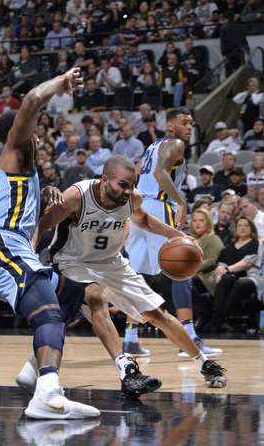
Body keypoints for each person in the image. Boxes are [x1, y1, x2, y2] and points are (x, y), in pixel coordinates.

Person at [21, 154, 228, 391]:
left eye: (132, 185)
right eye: (123, 185)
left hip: (112, 263)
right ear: (105, 180)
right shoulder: (77, 196)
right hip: (72, 261)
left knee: (158, 314)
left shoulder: (132, 199)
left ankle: (205, 363)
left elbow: (146, 221)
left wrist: (176, 235)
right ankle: (127, 371)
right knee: (96, 296)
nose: (129, 191)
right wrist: (30, 263)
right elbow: (40, 226)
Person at [0, 69, 103, 420]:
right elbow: (30, 102)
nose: (40, 138)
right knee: (47, 312)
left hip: (11, 251)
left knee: (84, 296)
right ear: (21, 133)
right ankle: (47, 393)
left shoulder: (19, 170)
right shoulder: (16, 149)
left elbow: (26, 227)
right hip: (0, 248)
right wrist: (59, 84)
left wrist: (41, 196)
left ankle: (32, 372)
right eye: (36, 132)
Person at [128, 107, 223, 360]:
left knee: (140, 276)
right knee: (183, 268)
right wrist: (180, 201)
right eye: (184, 122)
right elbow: (160, 174)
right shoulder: (176, 144)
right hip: (159, 207)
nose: (190, 127)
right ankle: (189, 339)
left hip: (138, 210)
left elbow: (137, 171)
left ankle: (130, 340)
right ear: (171, 126)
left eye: (192, 123)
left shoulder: (151, 147)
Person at [205, 216, 263, 333]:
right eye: (240, 225)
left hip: (250, 278)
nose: (243, 228)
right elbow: (221, 265)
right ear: (235, 229)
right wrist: (220, 270)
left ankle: (218, 319)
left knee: (239, 283)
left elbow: (246, 263)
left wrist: (225, 269)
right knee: (224, 279)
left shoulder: (255, 243)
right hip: (232, 277)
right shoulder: (229, 246)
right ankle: (217, 316)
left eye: (246, 225)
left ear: (252, 229)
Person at [189, 208, 224, 331]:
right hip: (190, 275)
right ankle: (173, 315)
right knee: (168, 280)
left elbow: (211, 261)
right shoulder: (187, 239)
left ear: (208, 223)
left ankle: (199, 315)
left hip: (207, 276)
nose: (197, 223)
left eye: (201, 220)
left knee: (187, 280)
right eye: (195, 220)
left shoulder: (214, 239)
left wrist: (188, 270)